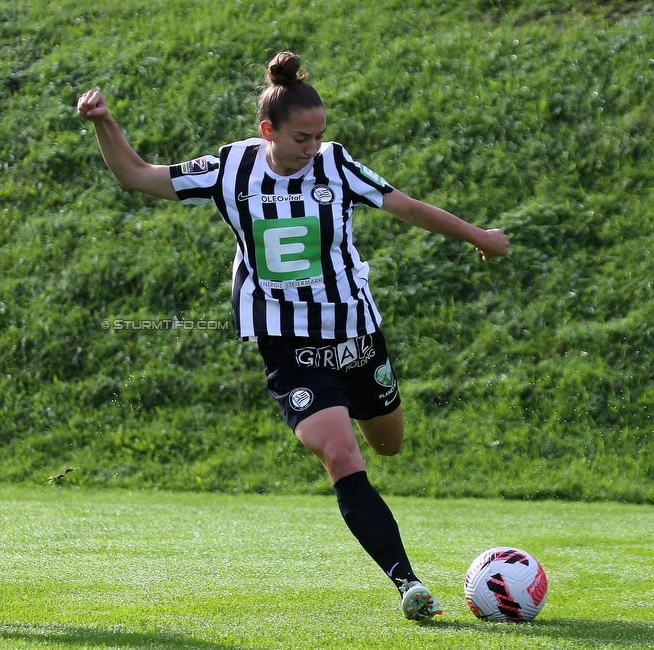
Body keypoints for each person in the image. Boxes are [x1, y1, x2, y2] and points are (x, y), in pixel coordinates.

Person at [77, 51, 509, 621]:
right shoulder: (230, 169)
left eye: (319, 136)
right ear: (268, 132)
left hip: (355, 330)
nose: (313, 148)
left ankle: (366, 433)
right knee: (341, 453)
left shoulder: (337, 165)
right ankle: (408, 583)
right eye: (302, 139)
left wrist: (478, 235)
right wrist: (105, 121)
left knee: (388, 444)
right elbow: (137, 176)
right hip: (287, 342)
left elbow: (407, 207)